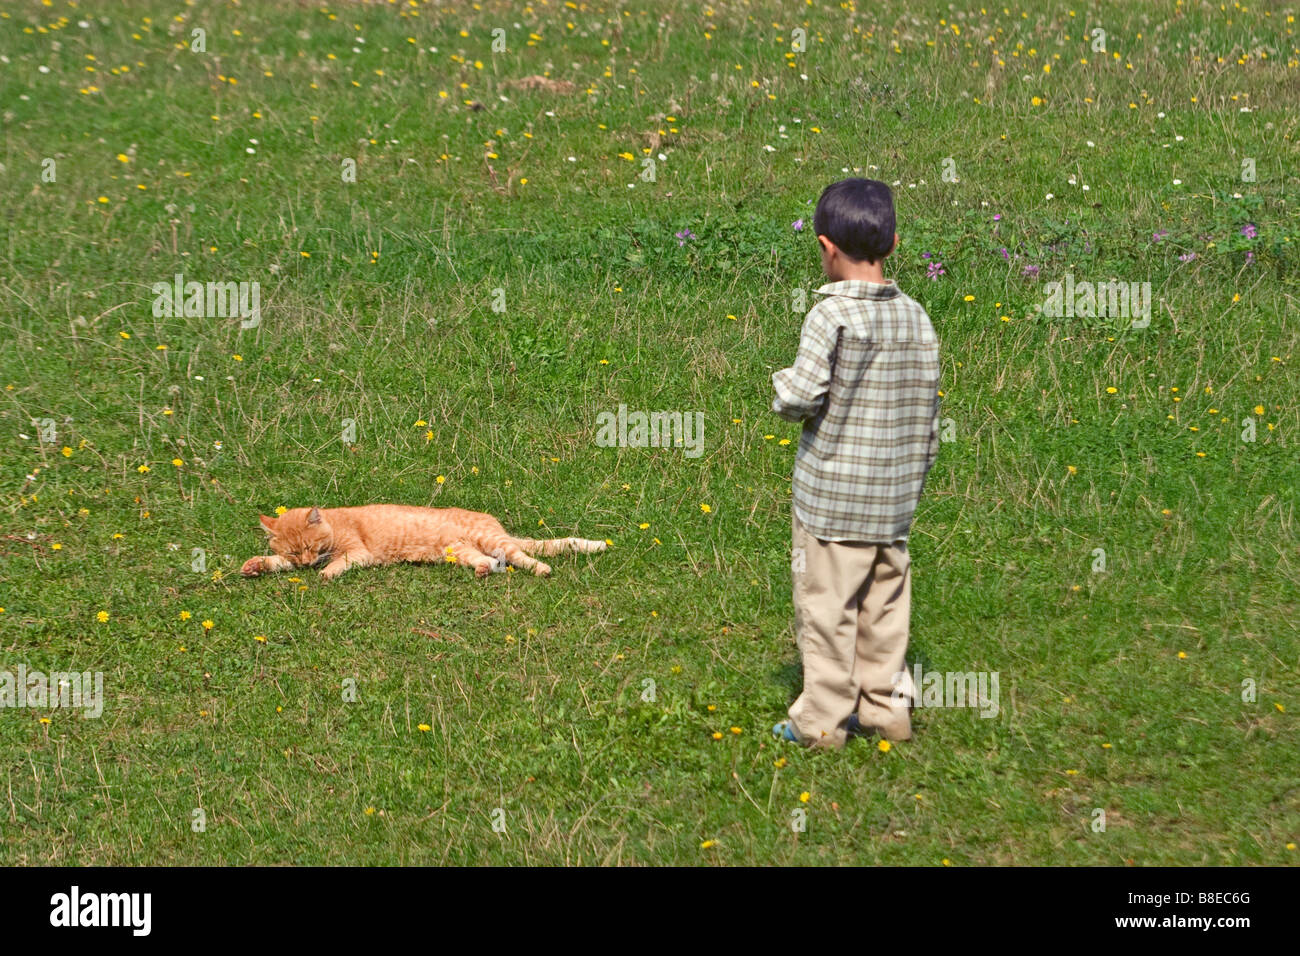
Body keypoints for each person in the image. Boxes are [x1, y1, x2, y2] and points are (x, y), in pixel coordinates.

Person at [770, 178, 941, 749]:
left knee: (827, 612)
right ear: (893, 243)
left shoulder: (829, 317)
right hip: (894, 500)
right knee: (884, 610)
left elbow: (800, 397)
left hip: (832, 502)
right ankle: (886, 714)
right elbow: (927, 404)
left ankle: (820, 722)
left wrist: (780, 385)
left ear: (825, 247)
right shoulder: (916, 317)